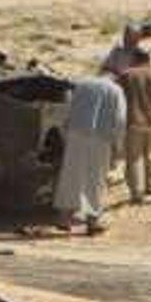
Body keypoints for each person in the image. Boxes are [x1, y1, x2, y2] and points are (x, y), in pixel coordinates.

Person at [54, 65, 126, 234]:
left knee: (71, 175)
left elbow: (69, 108)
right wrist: (118, 146)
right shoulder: (116, 90)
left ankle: (64, 217)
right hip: (100, 138)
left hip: (76, 134)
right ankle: (92, 221)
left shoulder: (82, 84)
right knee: (95, 179)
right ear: (115, 76)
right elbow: (120, 120)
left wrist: (66, 130)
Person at [114, 40, 151, 205]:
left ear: (134, 58)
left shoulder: (125, 76)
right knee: (149, 154)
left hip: (133, 121)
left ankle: (137, 193)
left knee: (134, 158)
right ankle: (150, 185)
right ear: (149, 59)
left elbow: (116, 99)